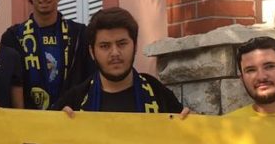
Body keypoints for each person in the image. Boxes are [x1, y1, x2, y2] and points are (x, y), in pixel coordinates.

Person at [58, 7, 188, 115]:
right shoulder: (74, 101)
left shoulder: (158, 93)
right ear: (92, 52)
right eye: (105, 46)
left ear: (135, 46)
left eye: (122, 44)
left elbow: (184, 132)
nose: (115, 53)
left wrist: (189, 122)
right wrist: (59, 124)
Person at [0, 0, 89, 110]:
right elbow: (9, 87)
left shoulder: (80, 34)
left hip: (72, 118)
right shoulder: (13, 37)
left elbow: (90, 80)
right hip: (29, 122)